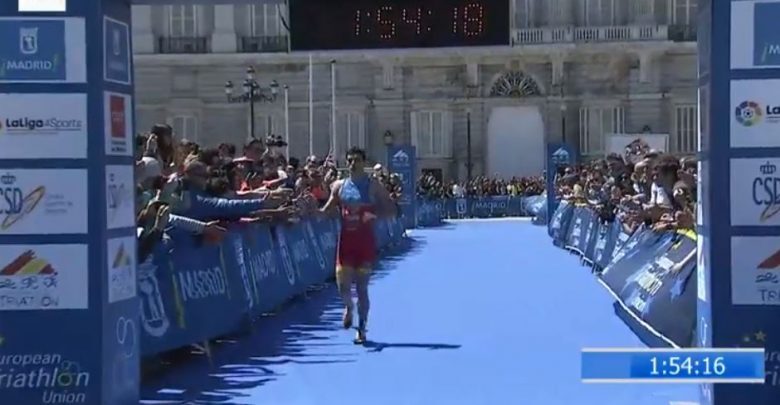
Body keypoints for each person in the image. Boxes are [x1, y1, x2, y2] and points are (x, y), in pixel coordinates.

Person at [321, 147, 395, 344]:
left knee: (362, 288)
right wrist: (312, 210)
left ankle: (362, 328)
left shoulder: (373, 186)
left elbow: (390, 208)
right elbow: (327, 209)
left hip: (365, 243)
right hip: (345, 243)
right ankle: (348, 307)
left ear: (364, 163)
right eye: (350, 160)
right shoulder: (339, 186)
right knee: (342, 286)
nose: (353, 164)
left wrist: (373, 215)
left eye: (357, 160)